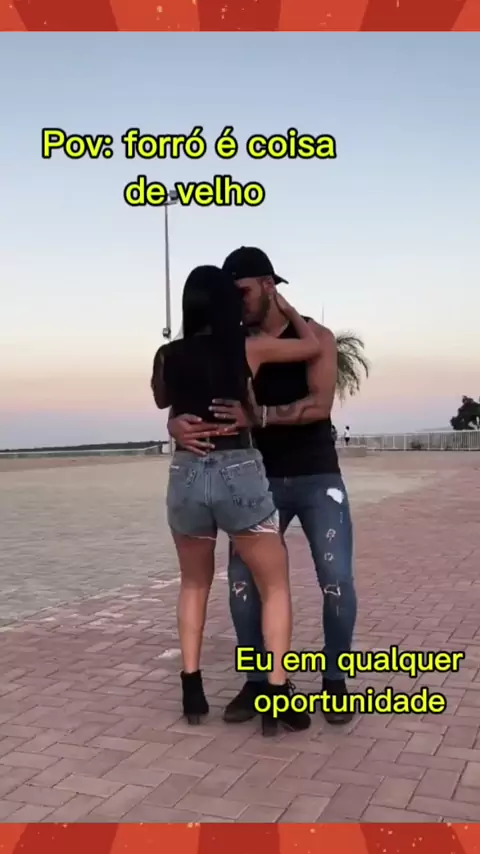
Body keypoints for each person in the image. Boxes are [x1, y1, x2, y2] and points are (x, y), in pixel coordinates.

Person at [168, 247, 357, 726]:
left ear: (269, 286)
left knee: (336, 578)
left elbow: (319, 406)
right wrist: (175, 426)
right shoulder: (235, 343)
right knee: (241, 585)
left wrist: (258, 415)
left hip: (316, 476)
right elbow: (190, 402)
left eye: (245, 291)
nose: (237, 302)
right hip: (256, 480)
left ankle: (335, 681)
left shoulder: (316, 337)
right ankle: (260, 685)